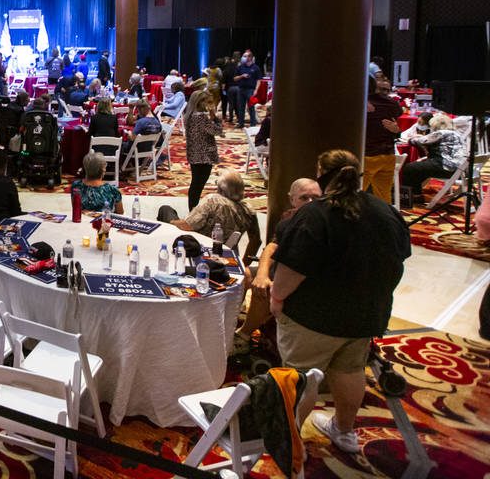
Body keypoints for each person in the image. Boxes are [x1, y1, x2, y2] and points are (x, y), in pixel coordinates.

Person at [271, 149, 411, 454]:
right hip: (365, 315)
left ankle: (290, 440)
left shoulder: (316, 214)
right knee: (350, 371)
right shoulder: (385, 210)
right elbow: (398, 264)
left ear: (320, 171)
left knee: (301, 377)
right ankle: (344, 431)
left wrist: (277, 298)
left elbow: (292, 269)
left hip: (314, 316)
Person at [238, 178, 321, 339]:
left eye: (316, 198)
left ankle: (244, 335)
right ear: (292, 200)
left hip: (304, 280)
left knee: (266, 287)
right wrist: (261, 274)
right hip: (283, 270)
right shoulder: (289, 218)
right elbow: (272, 246)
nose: (311, 202)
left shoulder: (322, 222)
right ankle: (233, 321)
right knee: (244, 275)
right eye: (304, 198)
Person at [159, 168, 261, 249]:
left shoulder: (213, 201)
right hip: (226, 249)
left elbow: (186, 226)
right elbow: (256, 242)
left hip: (197, 244)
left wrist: (171, 222)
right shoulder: (249, 210)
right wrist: (244, 264)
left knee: (166, 210)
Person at [401, 113, 466, 205]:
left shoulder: (440, 133)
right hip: (460, 169)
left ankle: (413, 196)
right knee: (420, 167)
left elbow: (420, 141)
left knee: (409, 168)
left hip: (446, 167)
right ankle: (416, 194)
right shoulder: (456, 134)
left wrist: (408, 140)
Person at [363, 76, 402, 203]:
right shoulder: (392, 104)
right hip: (388, 155)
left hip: (367, 156)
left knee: (353, 195)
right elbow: (397, 114)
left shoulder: (359, 104)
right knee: (384, 198)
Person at [185, 92, 223, 210]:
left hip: (195, 153)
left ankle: (193, 209)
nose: (211, 105)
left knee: (195, 184)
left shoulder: (190, 116)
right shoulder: (200, 118)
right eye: (209, 102)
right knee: (198, 185)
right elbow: (218, 131)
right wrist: (215, 118)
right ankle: (193, 210)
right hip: (204, 155)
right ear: (200, 103)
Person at [228, 49, 261, 126]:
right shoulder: (240, 67)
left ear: (250, 57)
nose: (243, 57)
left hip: (250, 90)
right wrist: (241, 76)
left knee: (251, 107)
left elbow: (259, 80)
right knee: (240, 107)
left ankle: (253, 123)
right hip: (241, 89)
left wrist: (256, 90)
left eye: (245, 56)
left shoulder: (256, 68)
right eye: (243, 56)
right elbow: (235, 78)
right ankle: (241, 123)